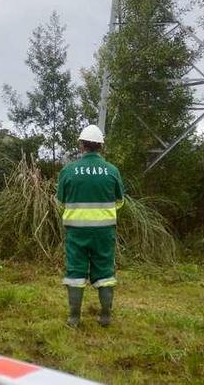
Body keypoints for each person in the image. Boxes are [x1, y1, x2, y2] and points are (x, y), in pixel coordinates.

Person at [56, 124, 124, 328]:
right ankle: (105, 316)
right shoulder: (112, 170)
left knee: (75, 271)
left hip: (76, 231)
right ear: (101, 146)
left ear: (81, 145)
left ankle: (74, 318)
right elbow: (120, 201)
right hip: (104, 232)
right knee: (104, 271)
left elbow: (60, 203)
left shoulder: (68, 171)